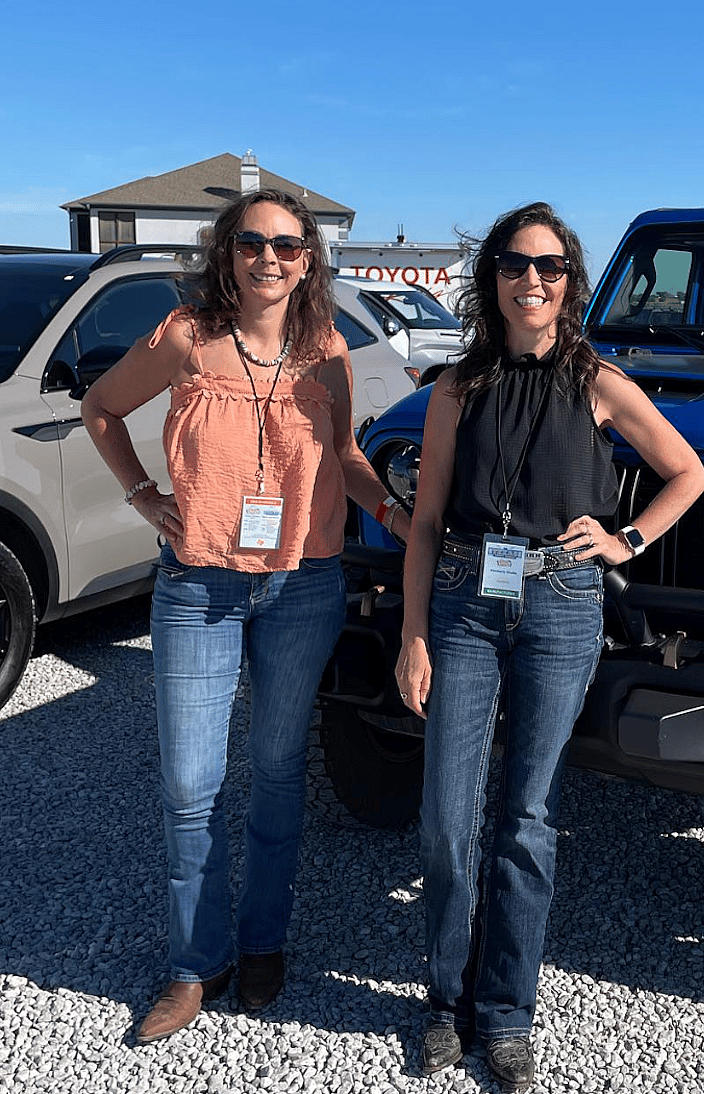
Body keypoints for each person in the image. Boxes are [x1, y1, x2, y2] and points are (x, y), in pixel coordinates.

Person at [82, 189, 408, 1043]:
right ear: (227, 252)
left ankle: (264, 941)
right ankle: (197, 964)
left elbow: (344, 457)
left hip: (303, 583)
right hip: (198, 585)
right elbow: (101, 408)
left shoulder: (327, 350)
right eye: (253, 243)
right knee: (191, 786)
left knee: (275, 771)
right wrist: (143, 494)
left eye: (289, 247)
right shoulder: (186, 337)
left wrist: (409, 521)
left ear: (310, 260)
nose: (271, 259)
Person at [396, 202, 704, 1091]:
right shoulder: (456, 387)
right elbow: (423, 522)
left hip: (564, 603)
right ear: (490, 278)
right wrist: (412, 636)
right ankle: (442, 1001)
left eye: (551, 267)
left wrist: (627, 540)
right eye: (514, 264)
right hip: (461, 599)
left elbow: (687, 471)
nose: (532, 280)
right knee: (447, 822)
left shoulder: (600, 382)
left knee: (527, 819)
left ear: (569, 282)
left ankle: (505, 1015)